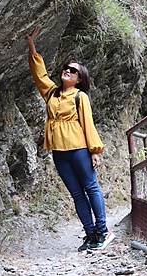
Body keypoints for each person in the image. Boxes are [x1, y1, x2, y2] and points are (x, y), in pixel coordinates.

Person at [26, 25, 115, 251]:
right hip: (59, 152)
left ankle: (102, 231)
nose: (67, 71)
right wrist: (32, 46)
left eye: (73, 71)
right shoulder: (52, 93)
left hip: (78, 149)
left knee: (91, 187)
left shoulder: (80, 97)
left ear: (78, 79)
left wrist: (95, 151)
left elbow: (88, 123)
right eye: (66, 68)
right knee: (76, 194)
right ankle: (90, 234)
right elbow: (40, 76)